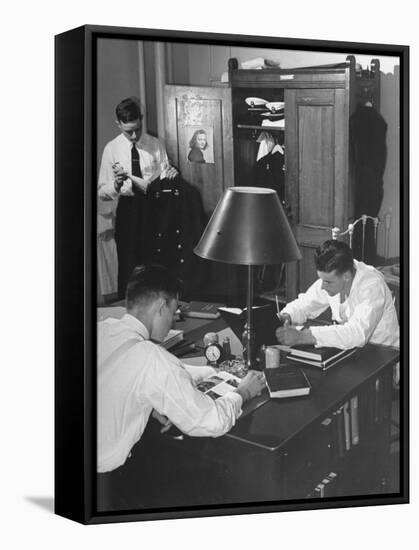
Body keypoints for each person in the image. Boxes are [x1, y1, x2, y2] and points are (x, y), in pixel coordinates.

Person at [97, 264, 265, 484]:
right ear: (160, 307)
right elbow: (211, 421)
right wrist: (243, 392)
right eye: (174, 311)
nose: (173, 320)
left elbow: (118, 377)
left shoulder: (102, 330)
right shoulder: (152, 359)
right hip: (106, 481)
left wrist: (208, 371)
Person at [97, 96, 178, 298]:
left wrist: (170, 176)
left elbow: (165, 174)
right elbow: (102, 192)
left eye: (137, 129)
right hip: (128, 208)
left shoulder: (155, 145)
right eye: (128, 131)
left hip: (154, 208)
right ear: (118, 124)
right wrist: (115, 185)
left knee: (154, 261)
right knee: (129, 262)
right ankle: (128, 309)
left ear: (142, 120)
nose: (134, 136)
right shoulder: (112, 148)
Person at [276, 239, 399, 350]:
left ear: (346, 276)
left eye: (328, 282)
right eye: (321, 279)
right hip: (354, 353)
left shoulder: (372, 285)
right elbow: (306, 303)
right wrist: (288, 315)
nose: (323, 286)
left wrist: (303, 337)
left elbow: (357, 334)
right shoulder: (335, 277)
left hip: (384, 356)